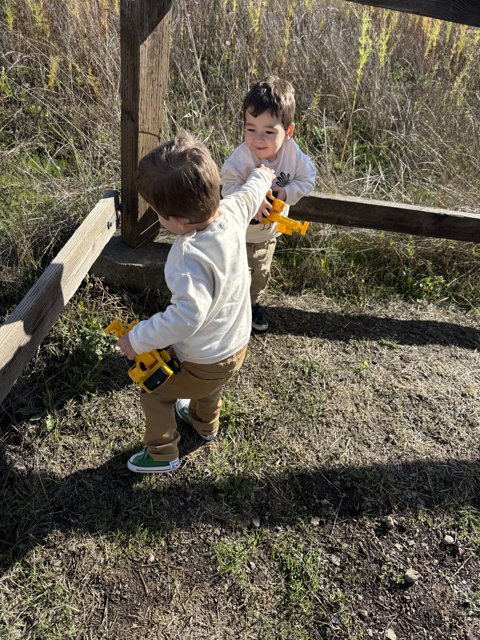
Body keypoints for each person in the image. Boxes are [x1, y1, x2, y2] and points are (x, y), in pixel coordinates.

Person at [117, 134, 276, 474]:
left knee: (155, 392)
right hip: (236, 344)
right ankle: (205, 424)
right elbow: (250, 194)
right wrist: (263, 175)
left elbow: (186, 318)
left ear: (178, 222)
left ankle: (162, 453)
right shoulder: (231, 209)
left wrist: (138, 338)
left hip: (205, 359)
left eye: (158, 213)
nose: (158, 219)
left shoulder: (189, 256)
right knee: (210, 386)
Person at [221, 76, 316, 333]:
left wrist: (285, 193)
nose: (258, 139)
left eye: (268, 131)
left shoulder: (292, 155)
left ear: (288, 132)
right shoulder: (241, 159)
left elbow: (309, 179)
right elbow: (226, 186)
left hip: (266, 235)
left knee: (259, 273)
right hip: (238, 234)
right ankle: (229, 308)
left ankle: (252, 303)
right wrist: (251, 196)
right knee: (232, 271)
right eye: (250, 129)